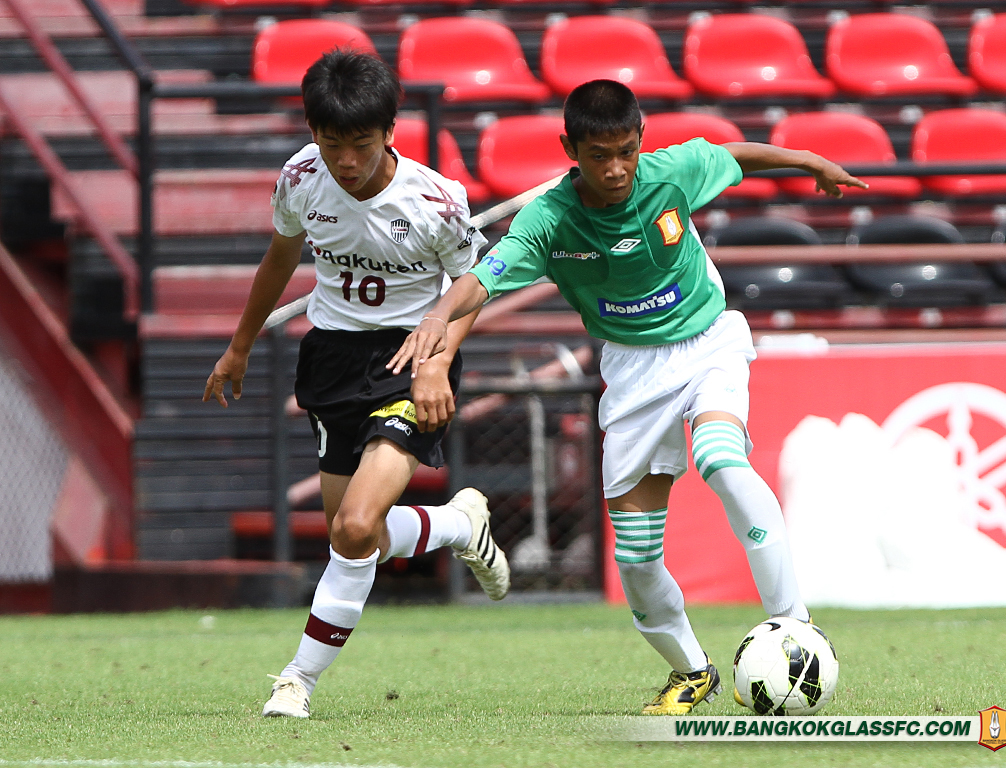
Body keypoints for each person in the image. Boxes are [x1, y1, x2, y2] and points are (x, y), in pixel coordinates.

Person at [388, 79, 867, 715]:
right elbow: (480, 280)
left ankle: (793, 626)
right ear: (570, 149)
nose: (615, 169)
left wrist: (806, 161)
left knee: (723, 461)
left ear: (641, 141)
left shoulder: (672, 172)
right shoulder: (549, 221)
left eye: (626, 152)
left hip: (708, 343)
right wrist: (435, 318)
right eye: (599, 156)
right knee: (636, 555)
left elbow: (732, 154)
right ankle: (691, 671)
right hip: (633, 374)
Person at [202, 50, 510, 719]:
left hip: (409, 359)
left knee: (355, 525)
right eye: (332, 142)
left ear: (391, 131)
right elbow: (281, 256)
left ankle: (297, 681)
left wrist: (436, 363)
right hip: (332, 360)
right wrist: (239, 346)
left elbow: (473, 286)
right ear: (312, 131)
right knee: (355, 535)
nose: (346, 161)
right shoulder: (300, 177)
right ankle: (457, 525)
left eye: (362, 144)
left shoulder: (435, 200)